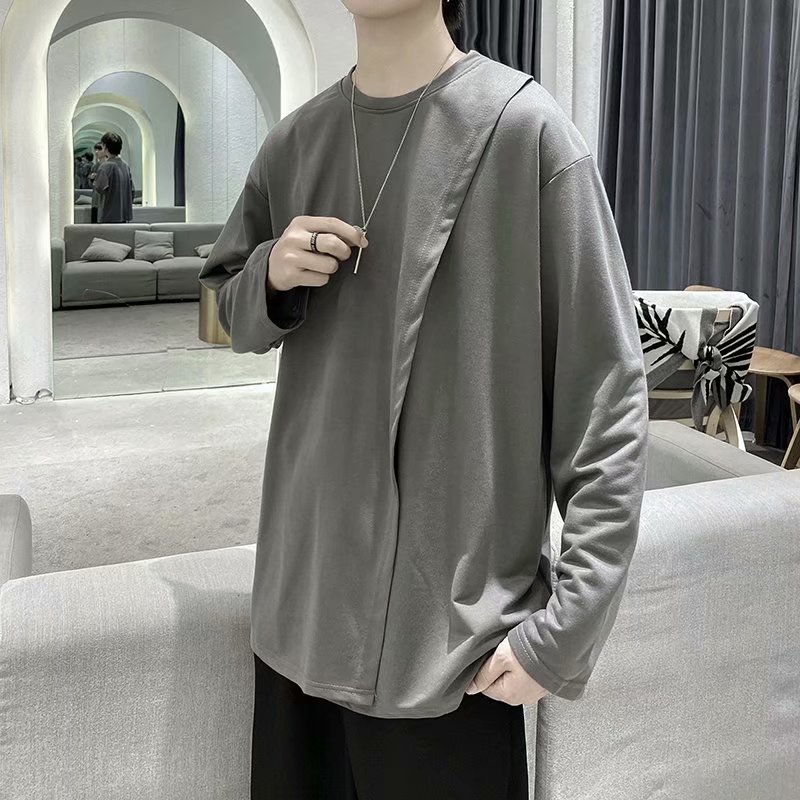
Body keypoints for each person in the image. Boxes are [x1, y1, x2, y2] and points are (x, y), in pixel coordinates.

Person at [199, 0, 649, 797]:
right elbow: (220, 309)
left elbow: (606, 401)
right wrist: (268, 273)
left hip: (447, 652)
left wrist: (567, 628)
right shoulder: (295, 143)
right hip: (299, 621)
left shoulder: (526, 135)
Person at [93, 132, 134, 224]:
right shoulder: (125, 166)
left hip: (108, 215)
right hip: (124, 215)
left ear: (105, 147)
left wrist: (94, 179)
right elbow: (132, 190)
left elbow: (99, 188)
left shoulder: (105, 167)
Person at [89, 143, 107, 224]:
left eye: (99, 149)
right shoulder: (95, 166)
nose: (96, 152)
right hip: (95, 198)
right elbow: (91, 184)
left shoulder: (109, 166)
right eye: (95, 150)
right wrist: (91, 178)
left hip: (104, 200)